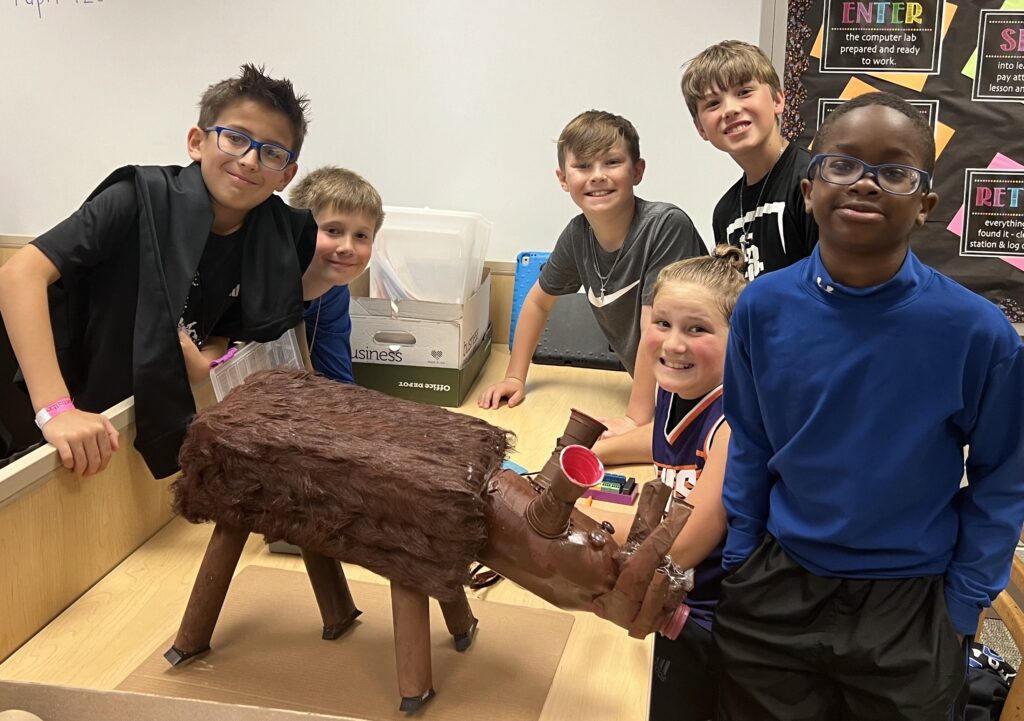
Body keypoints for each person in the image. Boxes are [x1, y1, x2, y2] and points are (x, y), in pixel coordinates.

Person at [716, 92, 1024, 721]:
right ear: (809, 189)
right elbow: (750, 442)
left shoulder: (978, 334)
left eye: (895, 171)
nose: (865, 183)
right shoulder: (761, 308)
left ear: (925, 205)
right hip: (777, 582)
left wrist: (962, 605)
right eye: (843, 164)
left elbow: (1005, 478)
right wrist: (739, 559)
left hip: (911, 606)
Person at [0, 64, 324, 480]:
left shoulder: (279, 238)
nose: (249, 161)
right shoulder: (137, 200)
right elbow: (18, 275)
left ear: (287, 174)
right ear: (196, 142)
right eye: (236, 138)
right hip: (64, 416)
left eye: (272, 152)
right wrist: (56, 409)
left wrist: (209, 357)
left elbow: (237, 320)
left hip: (141, 419)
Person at [478, 110, 705, 438]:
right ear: (563, 179)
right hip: (662, 395)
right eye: (583, 166)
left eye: (612, 162)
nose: (597, 175)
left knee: (582, 452)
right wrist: (515, 377)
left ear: (637, 171)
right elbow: (539, 303)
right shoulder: (577, 236)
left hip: (705, 394)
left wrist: (636, 418)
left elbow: (654, 328)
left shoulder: (666, 226)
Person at [594, 246, 746, 721]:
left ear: (740, 340)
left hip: (718, 620)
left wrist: (582, 526)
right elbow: (659, 442)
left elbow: (682, 544)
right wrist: (591, 455)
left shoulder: (733, 423)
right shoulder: (676, 387)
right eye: (662, 323)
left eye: (696, 329)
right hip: (679, 597)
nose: (673, 343)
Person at [680, 40, 817, 280]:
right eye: (713, 103)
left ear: (777, 100)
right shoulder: (724, 212)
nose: (730, 110)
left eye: (743, 92)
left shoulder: (813, 180)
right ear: (700, 128)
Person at [290, 166, 385, 384]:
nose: (347, 247)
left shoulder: (333, 292)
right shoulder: (267, 282)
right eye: (333, 231)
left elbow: (338, 380)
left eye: (361, 235)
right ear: (299, 228)